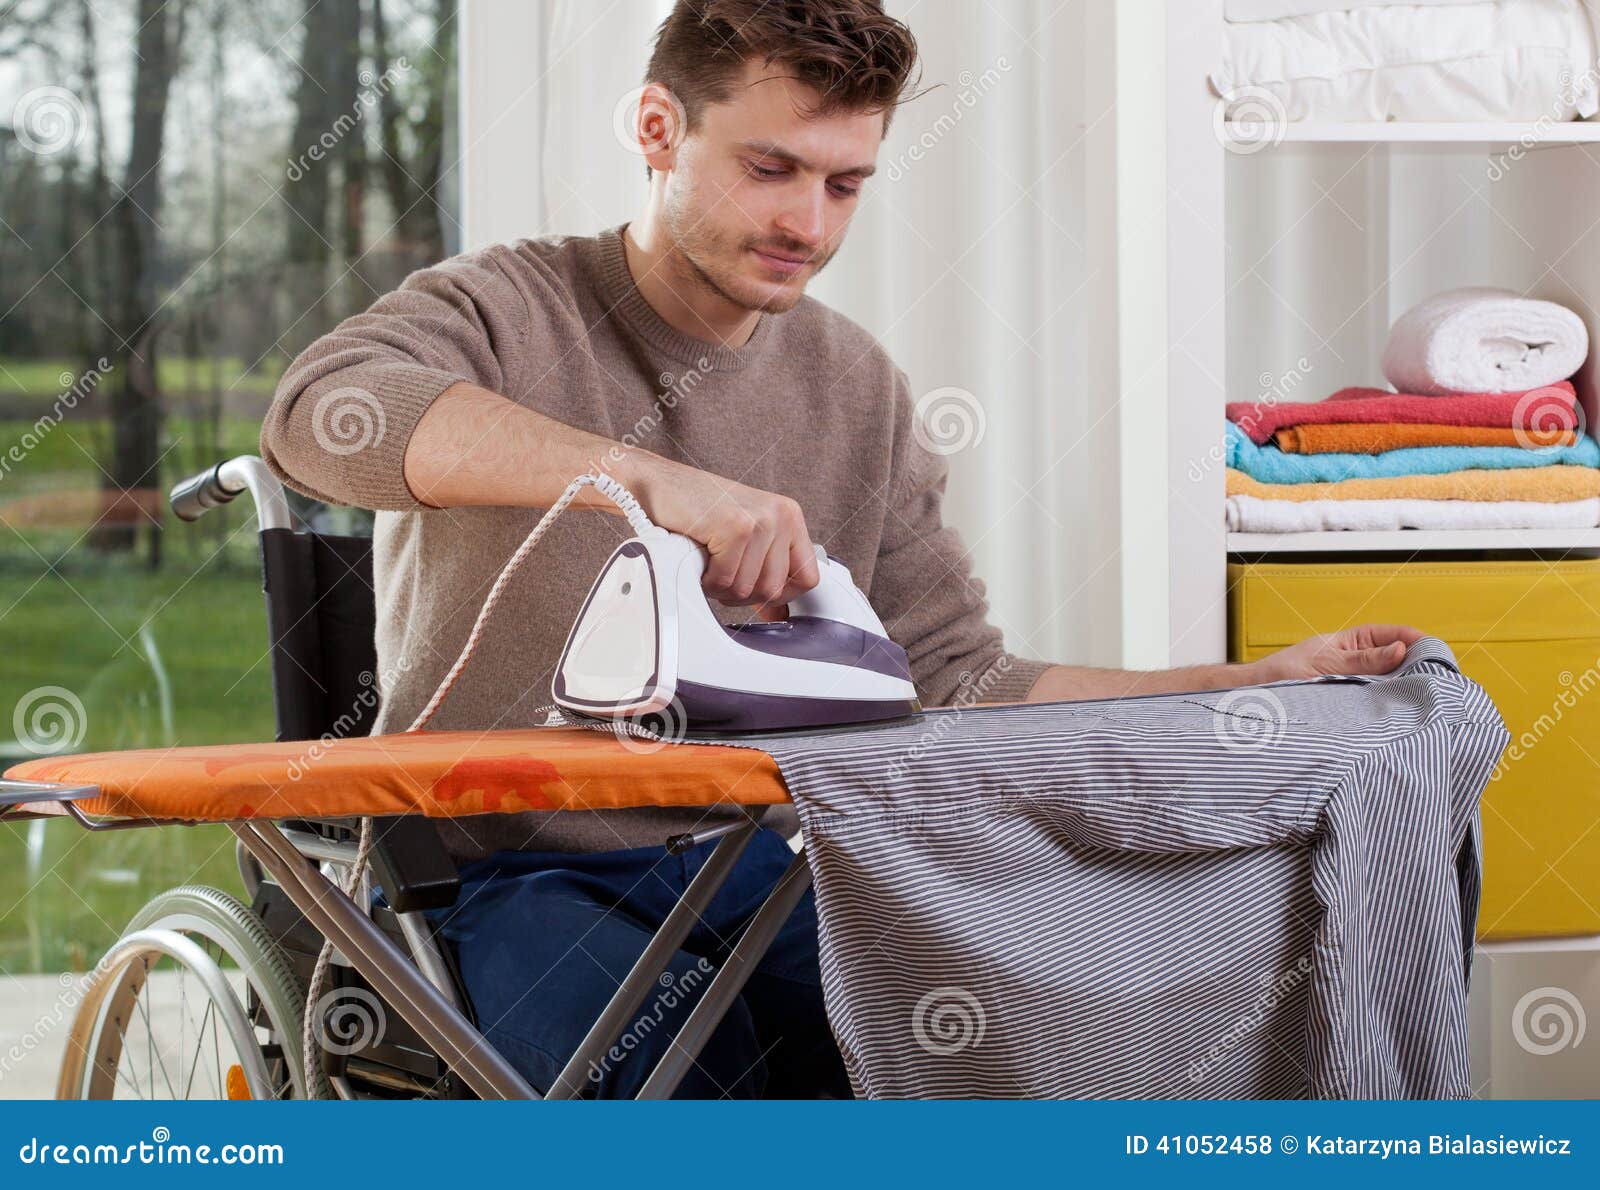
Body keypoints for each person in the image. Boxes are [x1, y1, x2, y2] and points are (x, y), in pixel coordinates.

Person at [261, 0, 1421, 1099]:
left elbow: (960, 680)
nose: (806, 224)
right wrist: (646, 479)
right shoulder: (508, 307)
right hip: (504, 869)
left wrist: (1243, 686)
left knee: (991, 1057)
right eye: (770, 169)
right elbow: (321, 412)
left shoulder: (855, 386)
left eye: (843, 184)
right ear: (659, 129)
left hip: (764, 862)